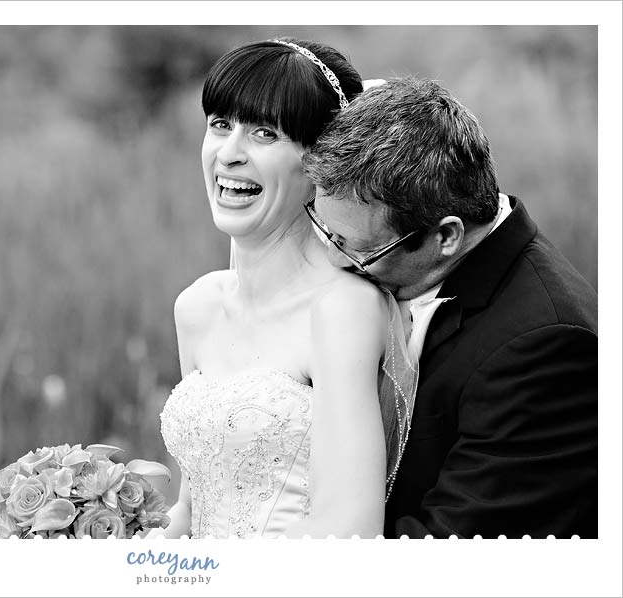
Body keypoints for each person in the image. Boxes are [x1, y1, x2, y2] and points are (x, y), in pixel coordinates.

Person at [302, 76, 598, 538]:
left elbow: (451, 545)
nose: (333, 259)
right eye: (325, 230)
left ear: (445, 236)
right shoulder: (408, 271)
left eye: (356, 249)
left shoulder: (546, 346)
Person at [151, 38, 416, 539]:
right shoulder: (197, 306)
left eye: (264, 134)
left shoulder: (343, 310)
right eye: (220, 126)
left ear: (320, 160)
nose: (230, 154)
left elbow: (347, 531)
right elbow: (191, 506)